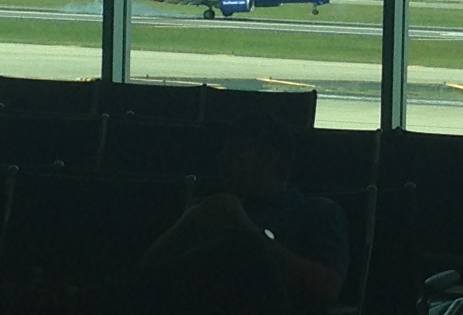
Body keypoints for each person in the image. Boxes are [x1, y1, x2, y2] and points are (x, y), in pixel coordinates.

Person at [126, 112, 349, 315]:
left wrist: (248, 230)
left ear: (269, 158)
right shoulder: (212, 213)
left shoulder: (315, 212)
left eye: (236, 150)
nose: (223, 159)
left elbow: (327, 288)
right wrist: (189, 220)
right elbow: (145, 275)